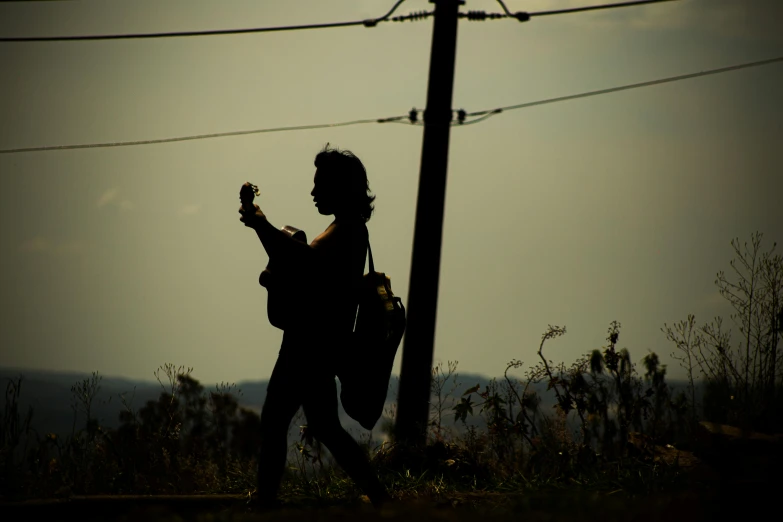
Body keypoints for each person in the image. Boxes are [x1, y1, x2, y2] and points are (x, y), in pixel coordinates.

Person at [238, 144, 392, 509]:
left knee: (275, 422)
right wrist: (260, 224)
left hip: (308, 347)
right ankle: (383, 500)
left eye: (320, 184)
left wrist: (260, 222)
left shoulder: (348, 231)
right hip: (319, 346)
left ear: (341, 187)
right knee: (326, 428)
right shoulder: (347, 229)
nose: (313, 192)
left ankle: (265, 504)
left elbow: (305, 262)